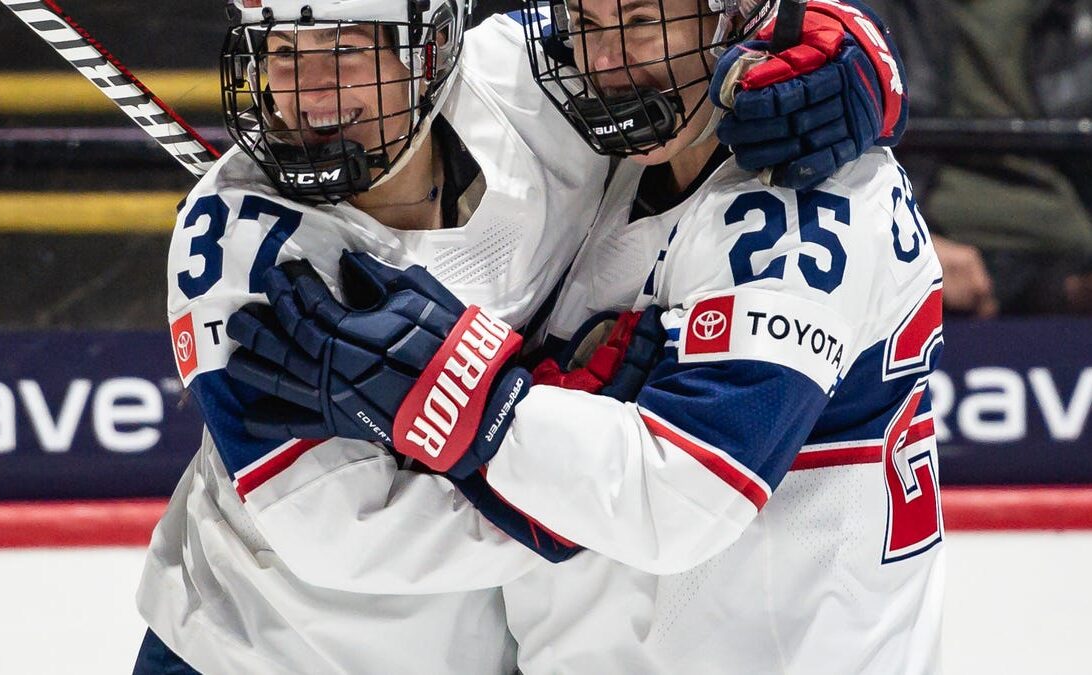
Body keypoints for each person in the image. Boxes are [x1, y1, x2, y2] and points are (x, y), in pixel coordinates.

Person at [136, 0, 912, 673]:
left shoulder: (533, 89)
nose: (308, 92)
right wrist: (548, 431)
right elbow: (336, 534)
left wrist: (854, 54)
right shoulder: (237, 251)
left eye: (343, 50)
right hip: (257, 651)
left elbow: (686, 33)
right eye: (280, 51)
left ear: (429, 53)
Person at [869, 0, 1092, 316]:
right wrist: (897, 240)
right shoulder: (865, 12)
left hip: (1068, 254)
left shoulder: (1073, 14)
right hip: (932, 242)